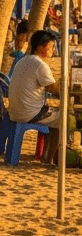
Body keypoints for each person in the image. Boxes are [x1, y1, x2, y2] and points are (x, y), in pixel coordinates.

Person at [7, 30, 62, 163]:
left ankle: (45, 155)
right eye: (51, 47)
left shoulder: (23, 60)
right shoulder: (40, 65)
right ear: (41, 47)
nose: (53, 51)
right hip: (29, 113)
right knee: (62, 119)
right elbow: (55, 90)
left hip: (14, 111)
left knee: (52, 113)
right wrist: (64, 81)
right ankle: (48, 159)